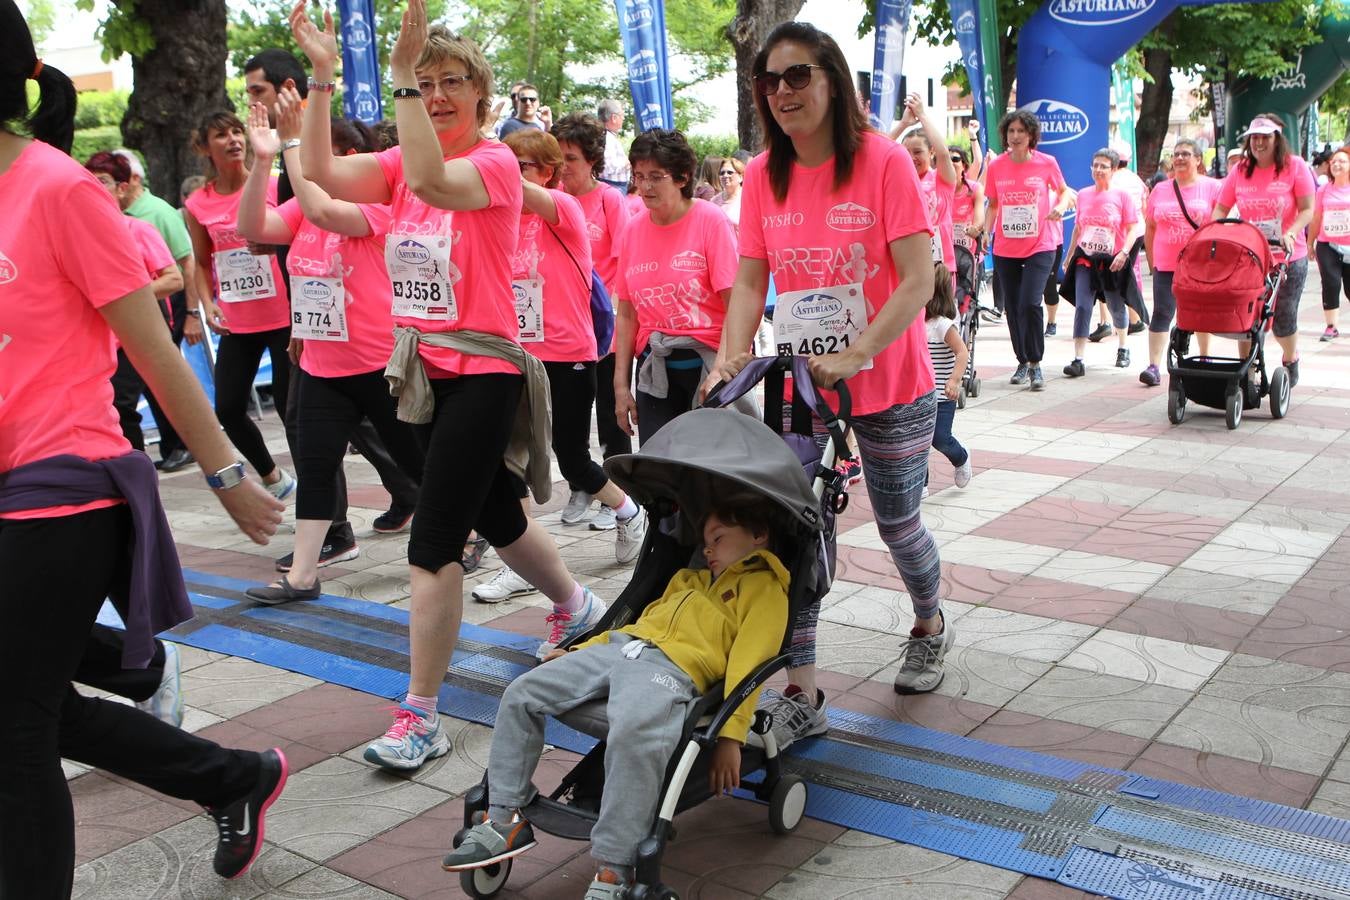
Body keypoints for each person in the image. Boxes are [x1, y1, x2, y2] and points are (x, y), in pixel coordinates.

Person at [0, 6, 290, 893]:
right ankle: (232, 778)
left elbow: (154, 349)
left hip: (67, 484)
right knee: (32, 711)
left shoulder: (58, 189)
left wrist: (228, 470)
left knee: (14, 728)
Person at [291, 0, 607, 768]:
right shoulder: (400, 163)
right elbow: (325, 172)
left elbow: (433, 179)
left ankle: (420, 716)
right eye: (423, 81)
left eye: (450, 81)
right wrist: (324, 78)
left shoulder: (494, 164)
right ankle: (578, 605)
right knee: (496, 511)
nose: (434, 94)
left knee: (435, 539)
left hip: (486, 371)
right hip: (422, 372)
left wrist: (396, 76)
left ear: (481, 96)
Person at [706, 22, 950, 748]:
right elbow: (751, 277)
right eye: (770, 81)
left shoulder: (881, 161)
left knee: (899, 523)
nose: (783, 92)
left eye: (798, 76)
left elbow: (916, 282)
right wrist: (727, 355)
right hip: (803, 383)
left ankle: (930, 623)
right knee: (799, 525)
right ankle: (802, 688)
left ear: (833, 81)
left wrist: (861, 351)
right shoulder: (759, 174)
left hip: (894, 379)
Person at [442, 498, 789, 900]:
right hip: (621, 649)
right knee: (523, 692)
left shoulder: (765, 589)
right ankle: (504, 820)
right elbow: (642, 623)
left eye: (719, 539)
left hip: (673, 670)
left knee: (634, 732)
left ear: (759, 536)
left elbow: (750, 664)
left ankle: (614, 866)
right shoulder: (686, 581)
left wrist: (731, 734)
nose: (707, 549)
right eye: (704, 541)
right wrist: (578, 650)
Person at [237, 95, 427, 604]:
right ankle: (302, 575)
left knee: (419, 462)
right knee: (317, 466)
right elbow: (254, 227)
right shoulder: (303, 207)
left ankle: (474, 529)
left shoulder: (379, 205)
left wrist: (293, 148)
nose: (326, 165)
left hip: (379, 365)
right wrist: (261, 161)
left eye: (336, 156)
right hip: (321, 366)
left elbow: (323, 205)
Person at [469, 128, 648, 604]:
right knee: (506, 459)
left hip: (568, 353)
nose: (513, 174)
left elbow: (510, 186)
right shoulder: (503, 218)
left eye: (523, 166)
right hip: (516, 356)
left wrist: (490, 162)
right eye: (511, 164)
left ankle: (629, 511)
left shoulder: (563, 209)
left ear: (548, 172)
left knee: (572, 457)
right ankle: (524, 561)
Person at [182, 109, 298, 501]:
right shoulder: (197, 203)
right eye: (221, 135)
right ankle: (272, 477)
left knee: (292, 410)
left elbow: (301, 236)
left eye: (237, 131)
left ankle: (334, 503)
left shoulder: (275, 184)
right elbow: (199, 261)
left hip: (285, 315)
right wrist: (206, 303)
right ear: (203, 147)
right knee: (228, 407)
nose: (233, 139)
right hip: (238, 321)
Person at [612, 129, 738, 445]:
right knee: (658, 470)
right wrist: (620, 387)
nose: (645, 186)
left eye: (656, 176)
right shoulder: (632, 230)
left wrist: (719, 370)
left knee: (706, 472)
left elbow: (735, 304)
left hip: (705, 364)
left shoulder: (710, 220)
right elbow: (626, 314)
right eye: (639, 176)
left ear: (682, 178)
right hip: (655, 370)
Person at [551, 112, 633, 485]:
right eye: (559, 158)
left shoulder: (609, 201)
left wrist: (614, 310)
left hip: (603, 322)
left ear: (592, 161)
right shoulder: (549, 200)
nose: (564, 167)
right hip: (563, 324)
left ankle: (618, 485)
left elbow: (626, 258)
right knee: (571, 411)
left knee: (609, 410)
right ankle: (583, 483)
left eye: (572, 158)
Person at [85, 152, 185, 452]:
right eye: (90, 182)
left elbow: (174, 279)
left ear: (122, 187)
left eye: (102, 181)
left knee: (123, 405)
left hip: (140, 331)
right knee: (116, 407)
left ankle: (141, 469)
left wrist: (128, 298)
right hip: (102, 337)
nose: (95, 188)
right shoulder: (83, 235)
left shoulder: (139, 229)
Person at [111, 147, 199, 472]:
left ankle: (180, 446)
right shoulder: (108, 219)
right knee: (144, 388)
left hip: (161, 309)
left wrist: (192, 314)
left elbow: (186, 262)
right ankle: (170, 447)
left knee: (159, 382)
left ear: (130, 180)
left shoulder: (155, 213)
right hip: (124, 321)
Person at [1212, 114, 1315, 386]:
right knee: (1246, 315)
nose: (1258, 143)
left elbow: (1307, 209)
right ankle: (1245, 371)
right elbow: (1221, 209)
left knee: (1282, 317)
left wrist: (1291, 231)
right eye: (1254, 138)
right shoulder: (1241, 170)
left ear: (1276, 139)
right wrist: (1217, 232)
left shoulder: (1295, 167)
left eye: (1265, 137)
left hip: (1289, 257)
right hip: (1252, 257)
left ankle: (1290, 358)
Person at [985, 109, 1071, 390]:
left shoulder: (1047, 163)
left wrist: (1059, 207)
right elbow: (993, 205)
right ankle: (1022, 360)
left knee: (1030, 303)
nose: (1016, 136)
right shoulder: (997, 166)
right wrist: (986, 232)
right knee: (1012, 306)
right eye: (1011, 131)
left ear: (1031, 134)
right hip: (1006, 247)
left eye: (1021, 131)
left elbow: (1064, 192)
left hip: (1040, 244)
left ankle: (1035, 364)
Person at [1140, 137, 1222, 385]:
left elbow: (1221, 226)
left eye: (1186, 154)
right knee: (1162, 312)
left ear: (1198, 160)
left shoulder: (1213, 188)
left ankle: (1205, 358)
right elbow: (1151, 227)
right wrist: (1154, 262)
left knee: (1201, 312)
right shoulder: (1161, 189)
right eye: (1176, 154)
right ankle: (1154, 366)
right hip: (1166, 264)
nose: (1180, 158)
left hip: (1200, 263)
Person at [1060, 147, 1143, 377]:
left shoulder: (1122, 196)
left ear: (1114, 169)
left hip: (1112, 260)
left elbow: (1133, 227)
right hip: (1086, 259)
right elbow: (1078, 228)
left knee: (1116, 306)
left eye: (1103, 166)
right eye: (1095, 165)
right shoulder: (1084, 194)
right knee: (1083, 305)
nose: (1098, 170)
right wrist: (1069, 256)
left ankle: (1123, 347)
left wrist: (1124, 252)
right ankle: (1078, 359)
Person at [895, 92, 957, 275]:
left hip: (941, 266)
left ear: (930, 152)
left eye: (917, 152)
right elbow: (875, 153)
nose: (912, 158)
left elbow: (944, 153)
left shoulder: (941, 179)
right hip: (909, 265)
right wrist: (903, 124)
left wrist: (922, 115)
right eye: (906, 152)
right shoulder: (897, 180)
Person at [925, 262, 971, 490]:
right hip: (918, 395)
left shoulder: (942, 325)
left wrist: (954, 380)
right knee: (917, 443)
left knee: (940, 438)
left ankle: (961, 458)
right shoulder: (912, 322)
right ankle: (920, 485)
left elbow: (962, 352)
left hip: (942, 397)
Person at [1310, 145, 1350, 342]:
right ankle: (1331, 326)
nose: (1337, 165)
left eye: (1342, 161)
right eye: (1334, 162)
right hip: (1327, 244)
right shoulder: (1324, 190)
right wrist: (1310, 243)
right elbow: (1316, 217)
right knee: (1331, 282)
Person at [597, 97, 630, 191]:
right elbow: (606, 167)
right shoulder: (607, 138)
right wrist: (627, 163)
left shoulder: (605, 136)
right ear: (614, 118)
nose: (623, 118)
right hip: (614, 186)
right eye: (622, 115)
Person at [712, 154, 745, 236]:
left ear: (741, 177)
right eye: (722, 173)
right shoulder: (713, 201)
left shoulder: (747, 199)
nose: (725, 175)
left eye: (730, 172)